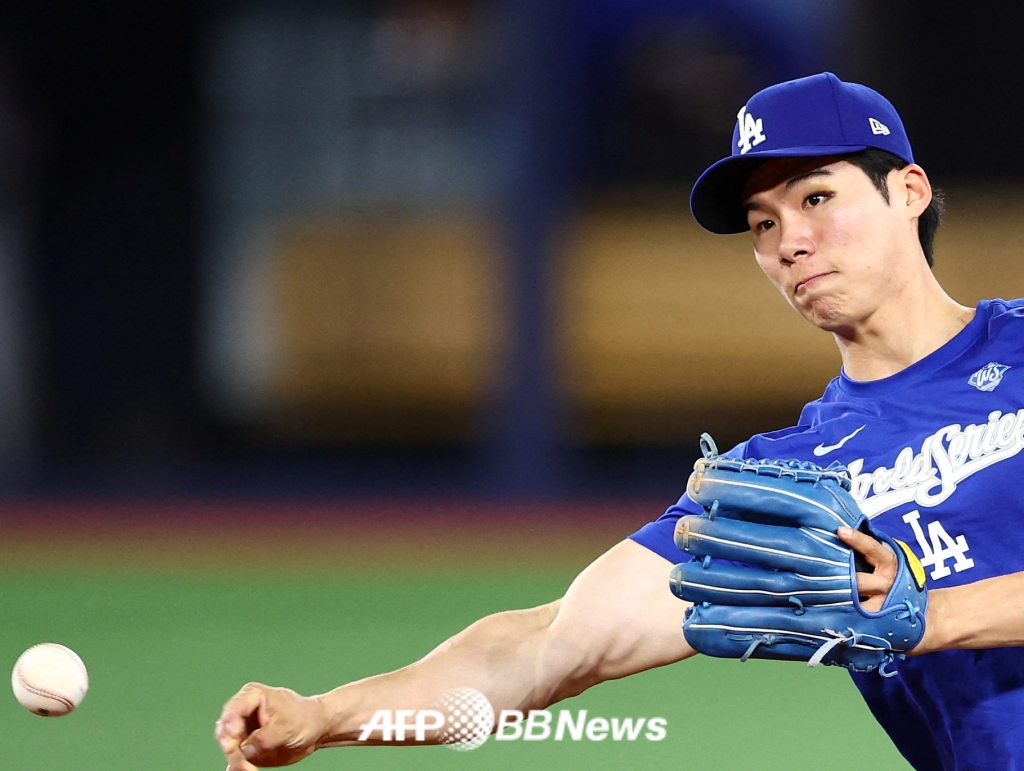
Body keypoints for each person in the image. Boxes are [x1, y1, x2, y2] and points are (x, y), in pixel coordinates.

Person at [216, 72, 1024, 771]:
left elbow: (921, 618)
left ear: (908, 192)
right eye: (763, 223)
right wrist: (326, 715)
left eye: (816, 197)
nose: (791, 242)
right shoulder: (794, 481)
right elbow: (546, 647)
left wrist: (934, 616)